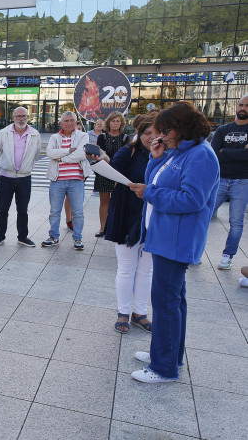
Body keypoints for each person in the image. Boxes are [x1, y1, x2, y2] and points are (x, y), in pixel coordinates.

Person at [128, 101, 219, 383]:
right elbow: (158, 182)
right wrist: (155, 159)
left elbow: (193, 200)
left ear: (181, 128)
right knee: (174, 301)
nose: (161, 136)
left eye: (166, 131)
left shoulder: (200, 155)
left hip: (177, 239)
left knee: (166, 302)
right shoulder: (181, 151)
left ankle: (164, 368)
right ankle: (167, 354)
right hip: (166, 235)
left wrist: (150, 194)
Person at [89, 112, 158, 334]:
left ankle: (140, 313)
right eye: (147, 133)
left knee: (146, 269)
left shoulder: (165, 154)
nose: (151, 137)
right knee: (127, 268)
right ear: (139, 133)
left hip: (153, 216)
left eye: (156, 133)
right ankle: (123, 312)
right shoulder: (129, 150)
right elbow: (112, 170)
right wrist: (102, 159)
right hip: (126, 213)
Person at [0, 106, 41, 247]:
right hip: (6, 176)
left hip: (25, 178)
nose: (21, 119)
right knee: (3, 209)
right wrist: (6, 164)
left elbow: (36, 154)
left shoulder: (35, 134)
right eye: (18, 116)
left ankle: (22, 236)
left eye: (24, 116)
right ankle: (0, 236)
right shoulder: (4, 132)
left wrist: (26, 166)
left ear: (28, 117)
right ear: (13, 117)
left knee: (23, 210)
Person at [210, 93, 248, 270]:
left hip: (242, 182)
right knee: (203, 215)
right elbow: (214, 154)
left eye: (246, 106)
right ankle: (195, 250)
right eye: (241, 105)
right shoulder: (223, 130)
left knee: (236, 222)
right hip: (220, 180)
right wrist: (239, 153)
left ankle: (227, 255)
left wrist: (226, 151)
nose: (242, 108)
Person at [43, 111, 90, 250]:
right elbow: (50, 153)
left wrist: (62, 158)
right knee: (54, 211)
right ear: (61, 123)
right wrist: (70, 150)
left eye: (72, 120)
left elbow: (81, 154)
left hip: (76, 180)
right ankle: (54, 236)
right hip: (57, 180)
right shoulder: (54, 137)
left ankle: (78, 238)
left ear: (76, 122)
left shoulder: (83, 136)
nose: (69, 123)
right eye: (66, 120)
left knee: (78, 212)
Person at [94, 111, 129, 237]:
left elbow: (126, 156)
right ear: (108, 122)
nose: (115, 123)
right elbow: (100, 153)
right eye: (113, 121)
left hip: (118, 172)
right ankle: (102, 228)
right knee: (104, 200)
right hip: (104, 171)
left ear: (121, 123)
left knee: (117, 200)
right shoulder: (102, 137)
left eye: (118, 121)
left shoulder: (125, 137)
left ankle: (114, 226)